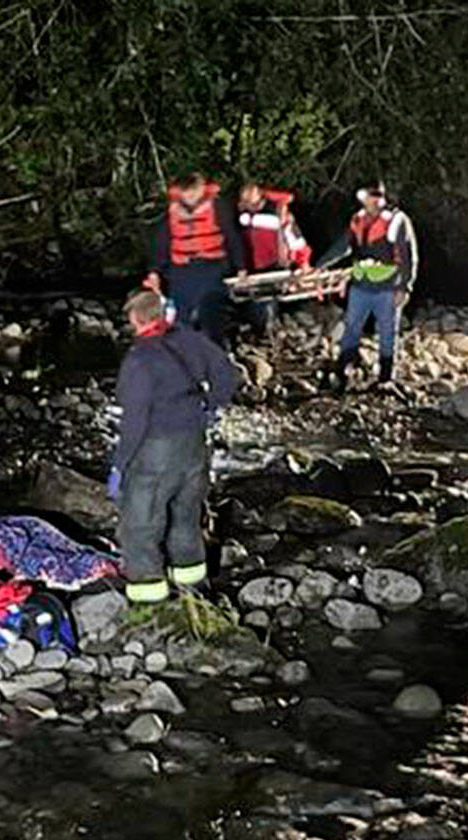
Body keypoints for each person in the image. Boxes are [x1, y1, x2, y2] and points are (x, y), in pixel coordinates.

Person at [109, 288, 238, 604]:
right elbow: (228, 374)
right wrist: (209, 407)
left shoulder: (139, 360)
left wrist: (120, 465)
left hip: (157, 448)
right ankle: (194, 587)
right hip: (194, 442)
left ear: (137, 320)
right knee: (185, 515)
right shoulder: (190, 341)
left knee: (140, 523)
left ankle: (149, 596)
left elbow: (134, 420)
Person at [316, 181, 418, 393]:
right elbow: (343, 247)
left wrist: (405, 287)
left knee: (388, 331)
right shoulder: (358, 219)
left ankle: (385, 378)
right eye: (366, 196)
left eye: (375, 196)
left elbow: (409, 256)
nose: (370, 201)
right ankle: (343, 370)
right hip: (361, 285)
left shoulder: (397, 221)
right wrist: (319, 266)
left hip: (388, 287)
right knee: (352, 327)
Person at [144, 173, 245, 346]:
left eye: (193, 192)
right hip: (182, 269)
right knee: (180, 315)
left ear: (201, 190)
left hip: (212, 266)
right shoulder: (171, 212)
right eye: (186, 192)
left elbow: (232, 237)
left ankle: (217, 350)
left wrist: (241, 266)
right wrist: (155, 271)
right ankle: (181, 351)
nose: (190, 197)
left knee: (212, 312)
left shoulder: (218, 207)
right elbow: (162, 243)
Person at [237, 182, 312, 335]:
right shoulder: (240, 218)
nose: (248, 205)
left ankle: (268, 333)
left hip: (273, 268)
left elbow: (296, 242)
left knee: (265, 310)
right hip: (249, 271)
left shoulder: (278, 216)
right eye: (245, 202)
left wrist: (303, 263)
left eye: (251, 202)